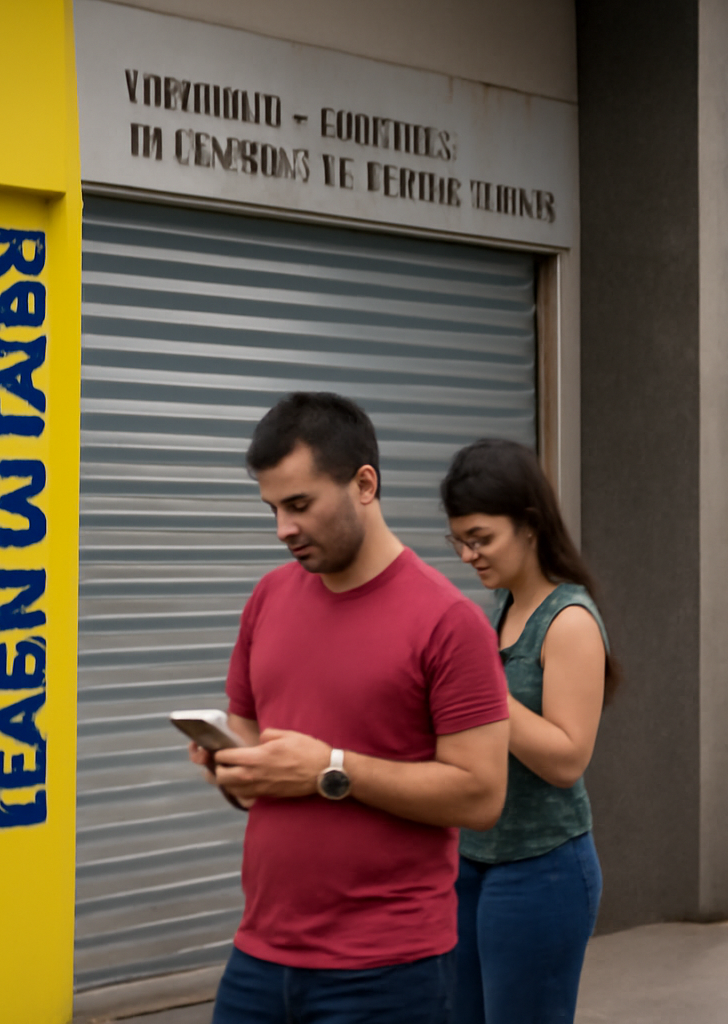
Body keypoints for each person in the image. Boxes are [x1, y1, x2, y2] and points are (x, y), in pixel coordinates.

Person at [189, 393, 512, 1024]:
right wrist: (234, 769)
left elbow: (481, 795)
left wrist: (328, 769)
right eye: (273, 508)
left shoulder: (448, 622)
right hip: (259, 957)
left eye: (300, 504)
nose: (283, 527)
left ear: (364, 483)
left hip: (388, 971)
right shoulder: (269, 597)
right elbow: (257, 747)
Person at [440, 439, 616, 1024]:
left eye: (481, 538)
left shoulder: (567, 621)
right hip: (475, 859)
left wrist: (480, 692)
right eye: (458, 540)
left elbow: (568, 759)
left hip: (543, 868)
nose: (468, 555)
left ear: (530, 526)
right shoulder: (503, 607)